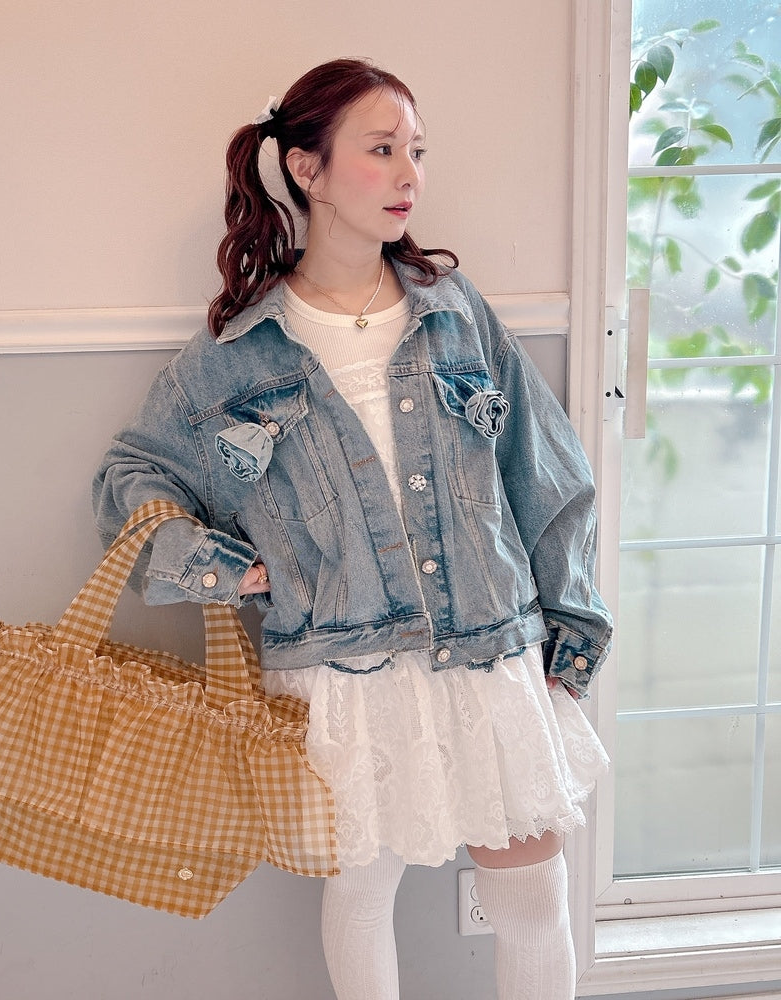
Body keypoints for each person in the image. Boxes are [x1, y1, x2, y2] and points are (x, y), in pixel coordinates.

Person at [92, 57, 612, 1000]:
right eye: (382, 151)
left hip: (489, 646)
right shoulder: (238, 350)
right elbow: (131, 476)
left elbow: (548, 475)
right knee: (363, 895)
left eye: (417, 152)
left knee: (534, 895)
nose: (410, 176)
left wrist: (570, 632)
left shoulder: (455, 314)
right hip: (342, 668)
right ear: (307, 168)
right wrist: (226, 569)